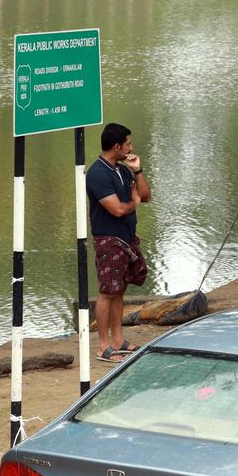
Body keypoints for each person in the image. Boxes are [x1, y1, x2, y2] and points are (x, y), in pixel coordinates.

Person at [87, 123, 151, 364]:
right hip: (109, 240)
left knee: (119, 290)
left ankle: (118, 340)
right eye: (128, 144)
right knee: (107, 292)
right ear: (117, 146)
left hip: (127, 238)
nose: (131, 148)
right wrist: (133, 201)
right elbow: (117, 209)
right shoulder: (97, 174)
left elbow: (145, 196)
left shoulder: (122, 170)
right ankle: (103, 346)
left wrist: (138, 171)